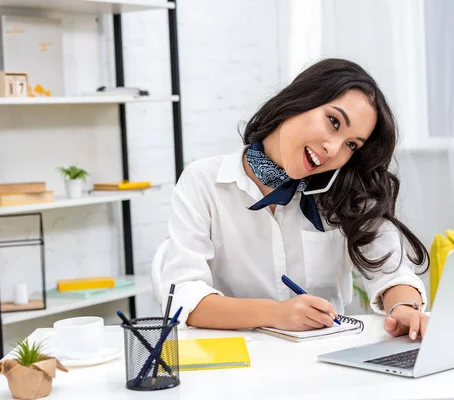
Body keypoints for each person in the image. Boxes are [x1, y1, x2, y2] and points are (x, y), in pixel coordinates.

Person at [160, 58, 429, 340]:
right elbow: (182, 295)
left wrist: (404, 308)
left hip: (326, 358)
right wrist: (274, 313)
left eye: (351, 144)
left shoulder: (348, 192)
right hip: (237, 363)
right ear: (299, 100)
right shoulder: (204, 182)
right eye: (334, 122)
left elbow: (391, 272)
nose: (333, 148)